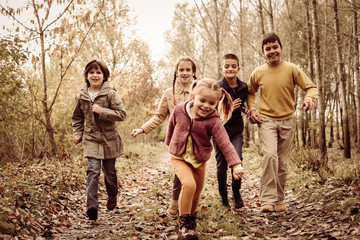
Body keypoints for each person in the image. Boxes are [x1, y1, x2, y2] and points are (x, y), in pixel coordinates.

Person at [247, 33, 318, 213]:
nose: (272, 51)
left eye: (275, 47)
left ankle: (279, 199)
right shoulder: (258, 72)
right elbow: (250, 93)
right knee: (270, 156)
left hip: (288, 120)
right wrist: (252, 110)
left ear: (281, 48)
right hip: (266, 120)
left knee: (283, 162)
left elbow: (311, 87)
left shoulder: (292, 69)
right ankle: (267, 200)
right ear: (263, 52)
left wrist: (309, 99)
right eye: (268, 49)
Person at [166, 78, 244, 239]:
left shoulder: (214, 121)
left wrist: (236, 164)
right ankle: (184, 226)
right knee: (188, 184)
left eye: (211, 103)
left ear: (217, 103)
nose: (206, 106)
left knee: (196, 192)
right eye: (202, 100)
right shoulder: (180, 109)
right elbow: (171, 125)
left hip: (199, 160)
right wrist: (170, 144)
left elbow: (224, 142)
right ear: (193, 97)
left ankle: (191, 221)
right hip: (179, 157)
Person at [131, 56, 197, 216]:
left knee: (194, 174)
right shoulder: (169, 94)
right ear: (176, 72)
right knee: (180, 172)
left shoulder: (199, 90)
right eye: (181, 69)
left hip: (197, 140)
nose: (185, 73)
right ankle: (175, 201)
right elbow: (159, 116)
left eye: (188, 69)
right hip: (178, 140)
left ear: (194, 72)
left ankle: (190, 204)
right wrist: (143, 129)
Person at [72, 60, 126, 220]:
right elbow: (77, 117)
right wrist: (78, 133)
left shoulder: (110, 94)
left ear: (104, 76)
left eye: (98, 72)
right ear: (86, 76)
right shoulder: (81, 96)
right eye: (91, 72)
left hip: (110, 139)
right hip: (91, 139)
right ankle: (92, 205)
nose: (95, 75)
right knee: (93, 170)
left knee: (109, 173)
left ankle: (112, 194)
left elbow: (122, 114)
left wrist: (102, 111)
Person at [214, 53, 248, 209]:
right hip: (219, 131)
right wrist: (228, 109)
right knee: (221, 165)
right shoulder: (217, 87)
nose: (230, 69)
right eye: (226, 66)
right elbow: (212, 110)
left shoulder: (243, 87)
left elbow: (244, 105)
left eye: (233, 66)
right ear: (222, 68)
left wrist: (247, 111)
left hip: (236, 131)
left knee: (237, 160)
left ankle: (236, 193)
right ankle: (223, 195)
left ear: (238, 68)